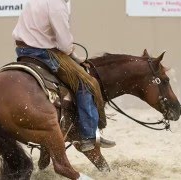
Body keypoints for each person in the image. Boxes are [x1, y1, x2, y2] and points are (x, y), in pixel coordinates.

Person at [12, 0, 115, 152]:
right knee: (84, 83)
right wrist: (72, 53)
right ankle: (88, 136)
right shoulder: (57, 5)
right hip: (43, 52)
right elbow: (64, 43)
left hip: (22, 51)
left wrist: (72, 55)